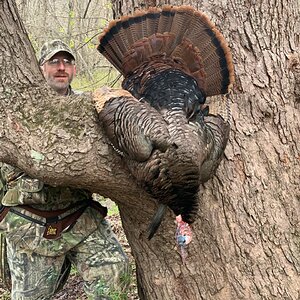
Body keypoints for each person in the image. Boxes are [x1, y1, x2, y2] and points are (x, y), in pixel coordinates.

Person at [0, 39, 129, 300]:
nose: (61, 67)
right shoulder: (18, 110)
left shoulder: (88, 107)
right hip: (29, 223)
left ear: (75, 70)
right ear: (40, 69)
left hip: (79, 216)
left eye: (67, 62)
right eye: (54, 62)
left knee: (115, 270)